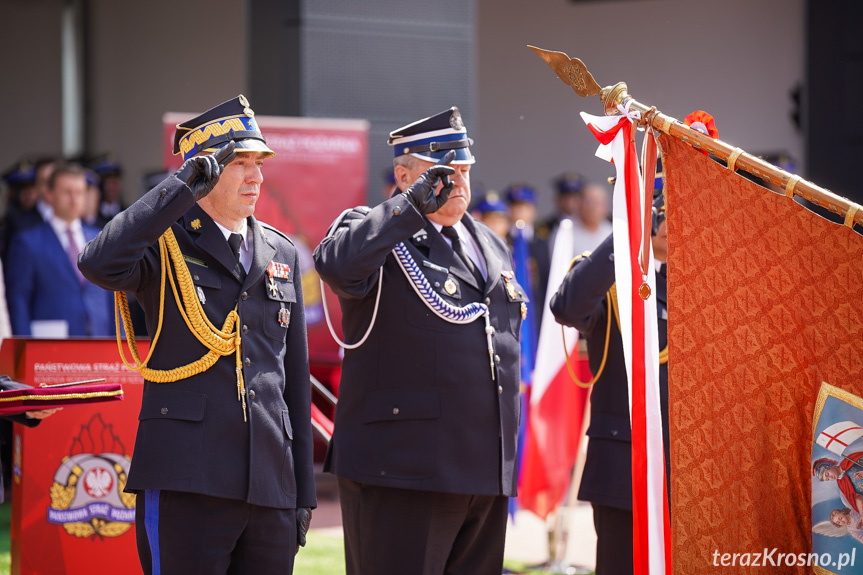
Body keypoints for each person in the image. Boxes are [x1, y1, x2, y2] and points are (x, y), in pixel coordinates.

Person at [78, 95, 316, 574]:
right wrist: (178, 189)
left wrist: (301, 491)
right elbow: (98, 263)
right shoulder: (162, 241)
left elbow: (294, 380)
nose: (257, 177)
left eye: (259, 163)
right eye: (240, 164)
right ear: (203, 172)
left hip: (270, 484)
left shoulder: (280, 251)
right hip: (188, 478)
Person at [314, 106, 525, 575]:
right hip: (404, 469)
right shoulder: (374, 228)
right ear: (404, 175)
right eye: (444, 174)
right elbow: (337, 265)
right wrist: (411, 205)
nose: (458, 184)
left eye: (465, 171)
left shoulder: (488, 242)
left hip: (483, 469)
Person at [549, 186, 670, 575]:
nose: (667, 222)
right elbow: (568, 307)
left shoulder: (709, 284)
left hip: (688, 467)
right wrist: (626, 232)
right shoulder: (613, 278)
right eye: (657, 212)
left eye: (676, 210)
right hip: (625, 467)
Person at [5, 162, 114, 337]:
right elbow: (19, 300)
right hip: (51, 346)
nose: (74, 198)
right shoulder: (27, 242)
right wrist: (24, 345)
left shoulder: (101, 238)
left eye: (79, 192)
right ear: (49, 195)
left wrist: (123, 344)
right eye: (67, 192)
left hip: (99, 340)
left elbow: (114, 296)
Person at [570, 182, 612, 257]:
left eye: (597, 203)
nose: (592, 208)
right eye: (588, 202)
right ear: (579, 205)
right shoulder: (567, 232)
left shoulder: (612, 233)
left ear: (606, 206)